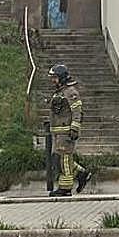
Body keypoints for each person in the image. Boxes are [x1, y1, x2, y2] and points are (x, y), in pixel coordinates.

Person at [46, 63, 91, 197]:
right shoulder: (59, 92)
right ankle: (82, 173)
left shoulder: (71, 92)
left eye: (55, 78)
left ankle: (65, 188)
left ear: (62, 77)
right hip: (58, 133)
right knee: (58, 158)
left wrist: (75, 128)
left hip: (66, 132)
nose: (53, 80)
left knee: (64, 159)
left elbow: (77, 111)